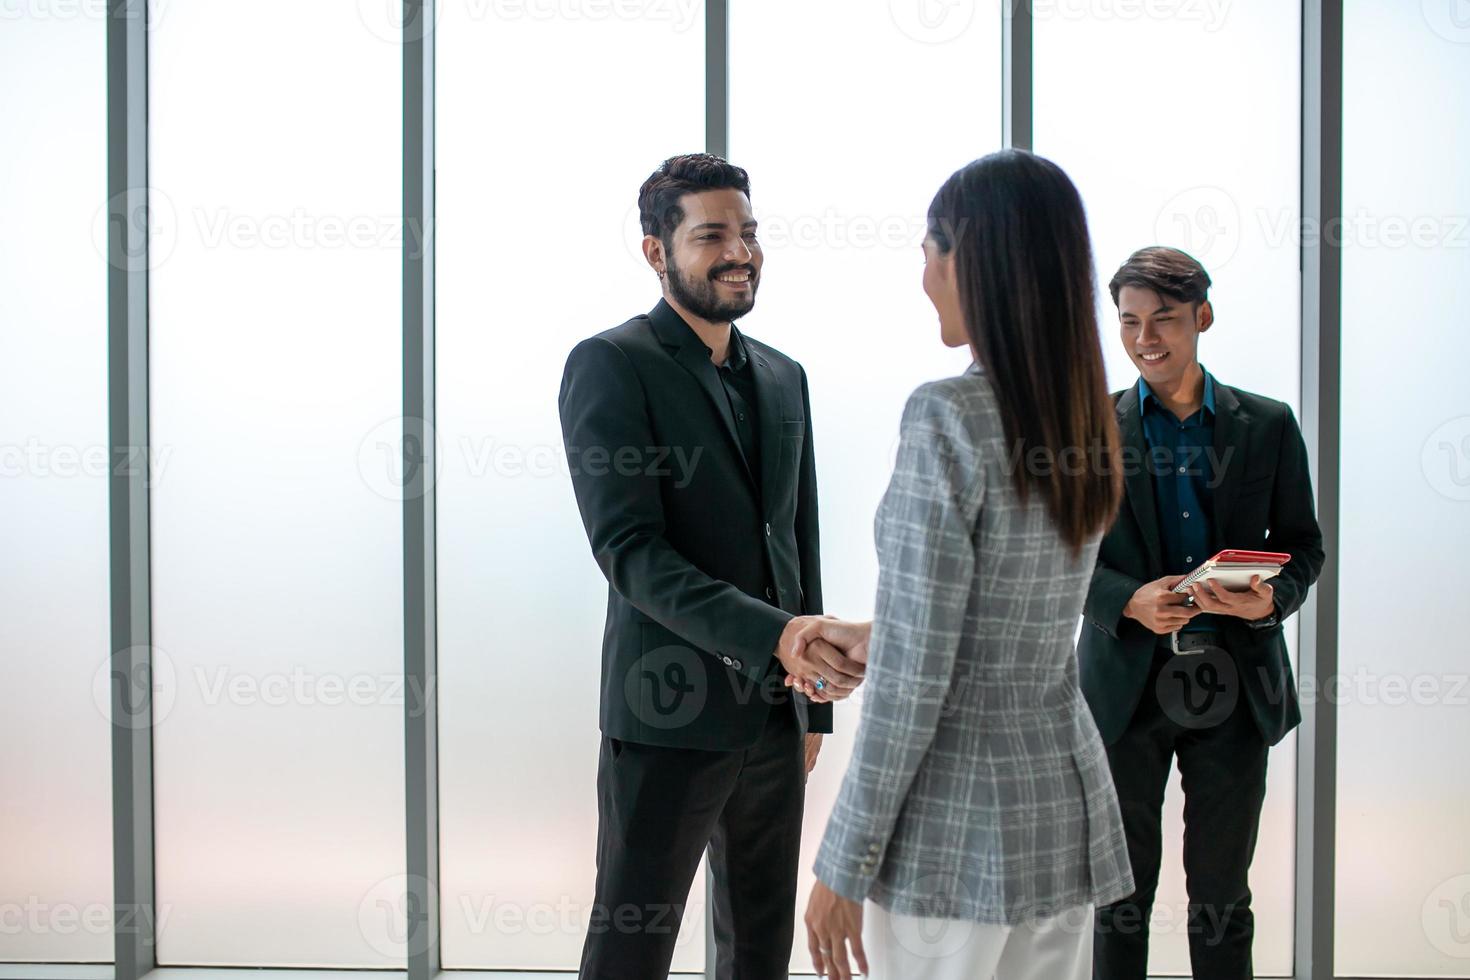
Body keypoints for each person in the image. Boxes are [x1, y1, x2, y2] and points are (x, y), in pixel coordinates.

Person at [791, 149, 1135, 980]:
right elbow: (1010, 616)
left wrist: (843, 859)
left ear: (969, 256)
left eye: (926, 249)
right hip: (1062, 813)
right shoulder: (1085, 419)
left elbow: (916, 680)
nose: (922, 276)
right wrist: (880, 630)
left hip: (954, 836)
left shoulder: (947, 415)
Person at [557, 153, 867, 980]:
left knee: (759, 946)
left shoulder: (783, 375)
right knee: (632, 946)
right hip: (667, 711)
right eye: (713, 235)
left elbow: (796, 543)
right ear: (658, 253)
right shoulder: (611, 364)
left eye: (750, 232)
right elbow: (630, 553)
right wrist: (780, 636)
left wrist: (814, 705)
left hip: (776, 715)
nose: (741, 251)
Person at [1079, 246, 1324, 980]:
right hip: (1126, 687)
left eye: (1165, 320)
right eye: (1129, 322)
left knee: (1222, 898)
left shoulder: (1268, 424)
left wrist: (1271, 597)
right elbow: (1058, 555)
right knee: (1119, 898)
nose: (1145, 338)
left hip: (1234, 685)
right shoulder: (1088, 429)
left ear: (1203, 318)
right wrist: (1125, 597)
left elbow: (1304, 546)